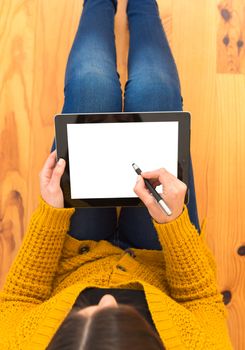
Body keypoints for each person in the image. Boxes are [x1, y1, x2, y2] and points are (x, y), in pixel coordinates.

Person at [0, 0, 232, 349]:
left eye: (82, 315)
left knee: (90, 85)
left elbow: (20, 299)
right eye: (119, 313)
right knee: (156, 92)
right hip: (160, 262)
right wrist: (174, 223)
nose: (107, 298)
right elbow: (201, 300)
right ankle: (144, 7)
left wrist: (50, 213)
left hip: (75, 258)